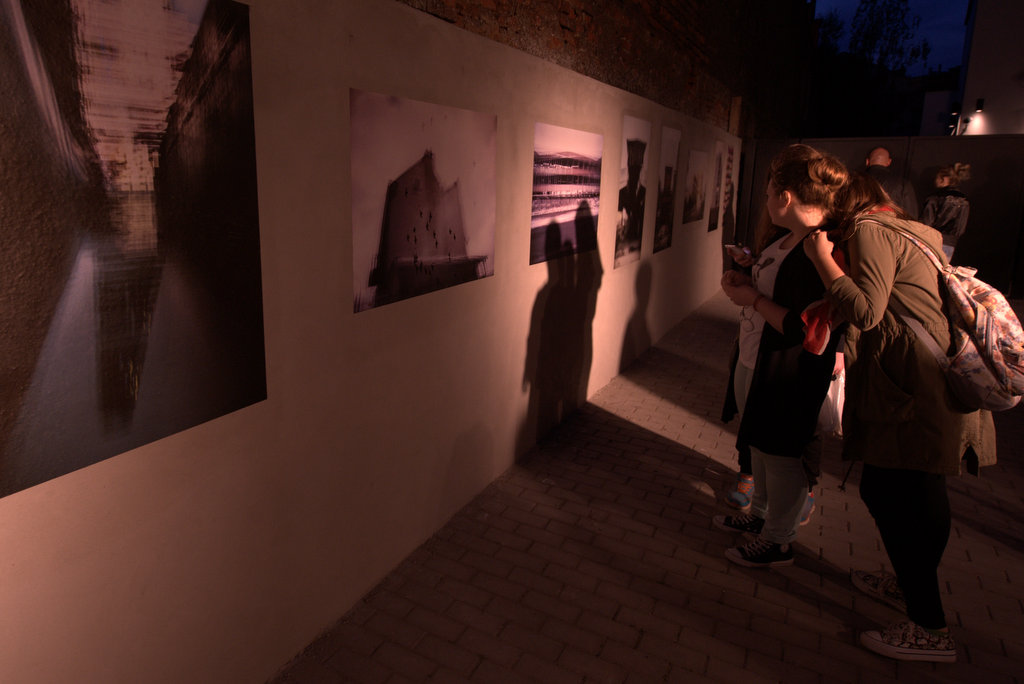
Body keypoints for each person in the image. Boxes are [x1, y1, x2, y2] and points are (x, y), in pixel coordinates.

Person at [803, 172, 995, 663]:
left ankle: (930, 626)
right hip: (928, 383)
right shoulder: (906, 228)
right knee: (916, 491)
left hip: (919, 389)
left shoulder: (869, 229)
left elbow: (867, 311)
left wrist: (823, 260)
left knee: (896, 492)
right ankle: (908, 586)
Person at [714, 144, 846, 568]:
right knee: (760, 447)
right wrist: (747, 273)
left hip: (788, 370)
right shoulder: (788, 239)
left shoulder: (820, 249)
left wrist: (751, 299)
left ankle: (778, 540)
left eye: (770, 192)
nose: (767, 200)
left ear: (785, 197)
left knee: (782, 455)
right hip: (757, 358)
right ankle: (760, 516)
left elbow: (803, 327)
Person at [921, 163, 970, 261]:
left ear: (944, 178)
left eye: (937, 177)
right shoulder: (964, 200)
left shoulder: (935, 198)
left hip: (931, 241)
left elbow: (925, 223)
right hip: (950, 244)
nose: (935, 180)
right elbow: (961, 228)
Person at [865, 146, 918, 218]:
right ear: (889, 162)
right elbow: (911, 215)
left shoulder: (854, 181)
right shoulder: (902, 184)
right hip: (892, 223)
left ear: (867, 162)